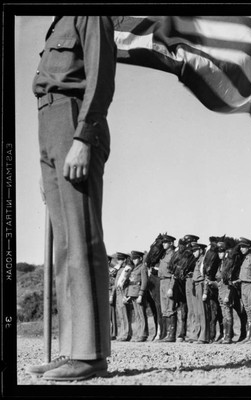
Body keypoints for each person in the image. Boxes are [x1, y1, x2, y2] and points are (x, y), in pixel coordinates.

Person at [27, 16, 116, 381]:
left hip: (73, 117)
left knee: (81, 241)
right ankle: (72, 351)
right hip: (48, 120)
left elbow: (100, 75)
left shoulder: (90, 12)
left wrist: (83, 138)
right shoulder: (59, 19)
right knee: (64, 246)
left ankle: (91, 355)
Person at [235, 238, 251, 344]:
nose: (241, 249)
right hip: (243, 285)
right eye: (240, 247)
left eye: (244, 247)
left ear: (249, 247)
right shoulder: (244, 259)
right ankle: (248, 336)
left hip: (250, 286)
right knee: (247, 310)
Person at [156, 234, 177, 342]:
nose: (163, 244)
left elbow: (174, 273)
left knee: (170, 308)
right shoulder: (164, 255)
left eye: (166, 242)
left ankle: (171, 334)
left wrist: (171, 287)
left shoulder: (173, 255)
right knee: (164, 309)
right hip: (162, 281)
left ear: (171, 243)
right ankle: (166, 334)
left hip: (169, 281)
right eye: (163, 242)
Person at [125, 251, 149, 342]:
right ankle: (139, 334)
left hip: (139, 293)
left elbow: (144, 282)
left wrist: (141, 295)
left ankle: (143, 334)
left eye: (136, 258)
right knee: (137, 315)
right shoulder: (134, 268)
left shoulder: (143, 267)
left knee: (141, 314)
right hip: (133, 293)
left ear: (140, 258)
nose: (134, 260)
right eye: (133, 259)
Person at [190, 242, 210, 344]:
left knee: (202, 312)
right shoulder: (197, 261)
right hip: (196, 285)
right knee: (197, 312)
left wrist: (205, 291)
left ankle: (204, 336)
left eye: (195, 250)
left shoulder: (203, 261)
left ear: (201, 250)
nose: (194, 253)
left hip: (201, 286)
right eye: (193, 251)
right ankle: (197, 335)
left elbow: (206, 277)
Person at [113, 252, 133, 342]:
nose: (118, 261)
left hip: (123, 291)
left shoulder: (127, 268)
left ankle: (126, 334)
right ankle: (123, 333)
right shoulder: (119, 269)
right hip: (118, 292)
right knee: (120, 314)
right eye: (118, 259)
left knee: (124, 314)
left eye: (120, 259)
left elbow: (126, 281)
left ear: (124, 260)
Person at [108, 255, 120, 340]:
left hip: (109, 292)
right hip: (102, 293)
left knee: (111, 314)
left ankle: (113, 333)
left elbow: (113, 285)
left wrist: (112, 295)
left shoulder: (112, 271)